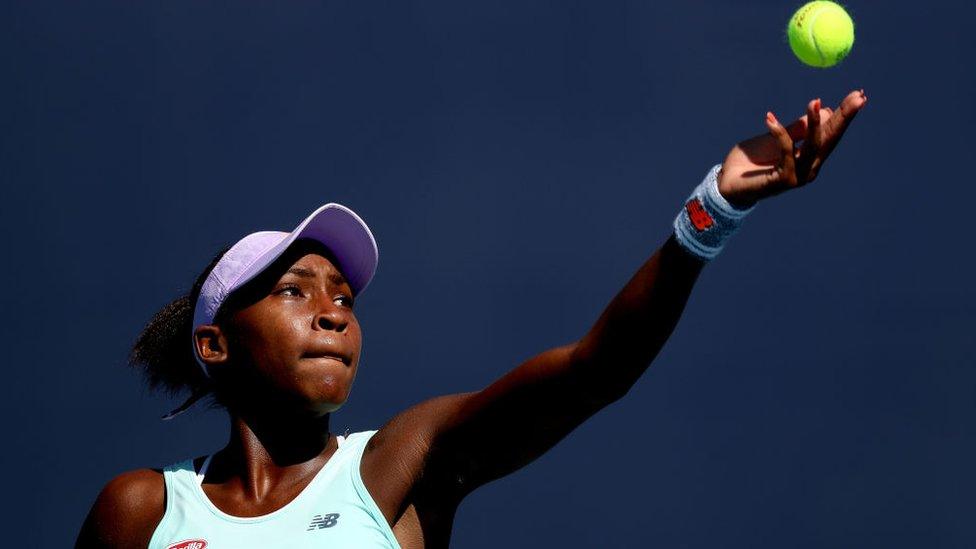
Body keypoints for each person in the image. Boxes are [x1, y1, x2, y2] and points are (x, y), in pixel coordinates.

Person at [76, 91, 867, 549]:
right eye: (295, 291)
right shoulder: (143, 510)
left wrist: (714, 209)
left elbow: (595, 371)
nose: (333, 311)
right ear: (214, 344)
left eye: (345, 298)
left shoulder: (398, 464)